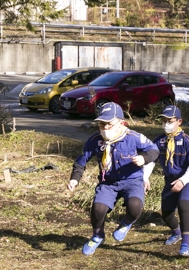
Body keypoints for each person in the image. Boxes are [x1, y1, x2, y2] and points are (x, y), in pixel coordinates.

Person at [67, 102, 159, 256]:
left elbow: (154, 150)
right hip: (108, 182)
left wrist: (144, 158)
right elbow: (81, 161)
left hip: (132, 180)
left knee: (135, 206)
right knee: (98, 209)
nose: (105, 128)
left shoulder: (134, 137)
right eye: (101, 124)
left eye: (109, 124)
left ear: (121, 123)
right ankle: (98, 235)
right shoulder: (95, 140)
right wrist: (75, 179)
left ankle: (126, 223)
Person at [143, 105, 189, 257]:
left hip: (187, 180)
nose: (166, 124)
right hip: (170, 181)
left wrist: (182, 181)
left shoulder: (186, 141)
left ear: (179, 121)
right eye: (164, 121)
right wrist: (145, 177)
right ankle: (177, 233)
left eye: (170, 121)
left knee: (183, 206)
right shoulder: (159, 141)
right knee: (166, 213)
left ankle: (185, 245)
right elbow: (151, 160)